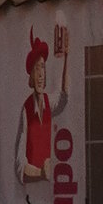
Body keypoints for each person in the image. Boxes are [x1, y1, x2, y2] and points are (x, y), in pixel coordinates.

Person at [16, 20, 69, 184]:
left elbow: (63, 98)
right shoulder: (26, 110)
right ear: (31, 76)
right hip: (32, 191)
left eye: (43, 68)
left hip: (50, 190)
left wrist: (66, 58)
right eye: (36, 69)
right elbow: (19, 163)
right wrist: (40, 173)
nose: (40, 75)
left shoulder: (48, 102)